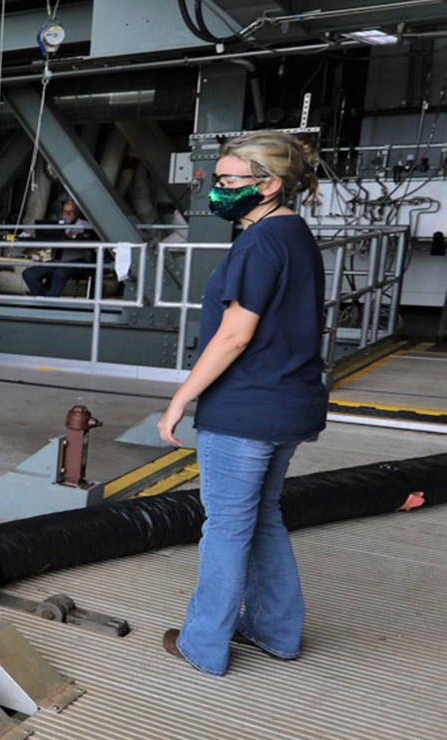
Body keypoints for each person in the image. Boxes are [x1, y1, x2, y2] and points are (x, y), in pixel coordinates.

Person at [156, 131, 327, 677]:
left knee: (226, 527)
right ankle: (277, 632)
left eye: (230, 181)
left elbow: (234, 334)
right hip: (291, 404)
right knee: (265, 519)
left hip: (247, 408)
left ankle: (203, 645)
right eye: (218, 179)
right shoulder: (295, 234)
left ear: (270, 184)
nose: (218, 189)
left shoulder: (258, 243)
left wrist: (180, 399)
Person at [22, 198, 95, 297]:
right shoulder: (58, 225)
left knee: (60, 273)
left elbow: (88, 239)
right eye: (65, 211)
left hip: (78, 262)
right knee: (29, 274)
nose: (67, 214)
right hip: (58, 261)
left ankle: (49, 300)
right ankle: (42, 296)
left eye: (71, 211)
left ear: (78, 212)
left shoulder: (85, 226)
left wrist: (71, 237)